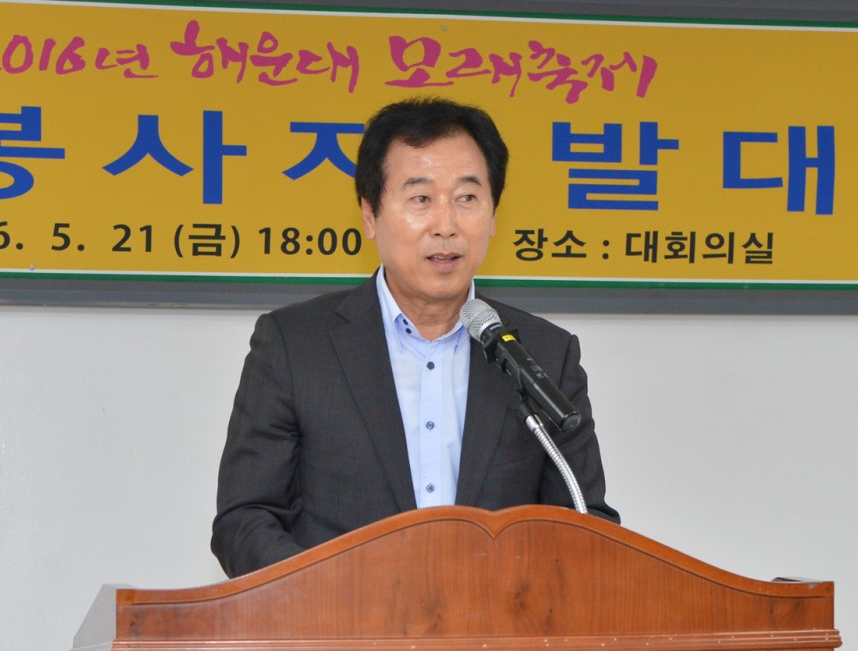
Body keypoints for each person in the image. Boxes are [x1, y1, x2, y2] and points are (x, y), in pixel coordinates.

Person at [211, 97, 618, 578]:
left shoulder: (542, 354)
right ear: (370, 215)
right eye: (421, 199)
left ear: (493, 215)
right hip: (341, 620)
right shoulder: (295, 346)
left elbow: (584, 523)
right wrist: (331, 597)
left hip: (495, 623)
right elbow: (245, 520)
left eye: (467, 198)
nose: (446, 226)